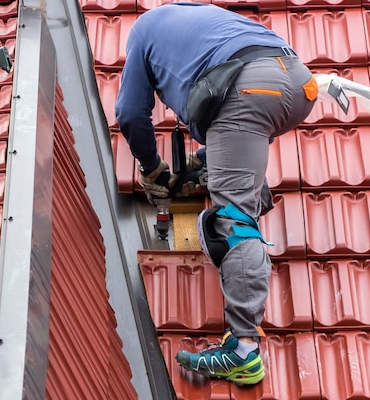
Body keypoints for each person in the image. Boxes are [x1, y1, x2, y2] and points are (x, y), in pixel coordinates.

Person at [115, 3, 317, 385]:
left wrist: (152, 167)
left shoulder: (143, 30)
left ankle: (243, 352)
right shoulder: (200, 18)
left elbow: (129, 113)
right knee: (240, 141)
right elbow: (239, 120)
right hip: (296, 81)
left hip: (249, 88)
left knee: (233, 219)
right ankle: (247, 189)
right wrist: (203, 162)